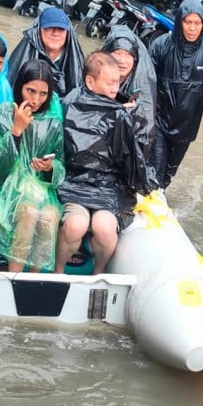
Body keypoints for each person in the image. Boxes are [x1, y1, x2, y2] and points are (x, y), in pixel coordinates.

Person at [55, 52, 157, 274]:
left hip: (109, 187)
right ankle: (58, 270)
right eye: (110, 83)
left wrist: (144, 186)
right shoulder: (69, 104)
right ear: (90, 81)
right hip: (75, 183)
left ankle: (98, 271)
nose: (115, 88)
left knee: (104, 227)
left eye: (118, 82)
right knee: (75, 225)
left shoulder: (120, 114)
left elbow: (130, 159)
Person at [0, 59, 65, 272]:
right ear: (19, 86)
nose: (36, 99)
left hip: (41, 190)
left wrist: (50, 168)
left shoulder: (53, 122)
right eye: (30, 91)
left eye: (43, 94)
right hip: (7, 189)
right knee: (29, 212)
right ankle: (15, 276)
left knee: (49, 215)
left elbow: (61, 165)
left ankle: (35, 277)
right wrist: (16, 131)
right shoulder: (0, 116)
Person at [148, 0, 203, 189]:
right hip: (159, 122)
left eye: (197, 23)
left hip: (187, 127)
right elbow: (145, 81)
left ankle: (157, 205)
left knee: (168, 175)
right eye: (188, 22)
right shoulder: (162, 45)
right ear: (180, 22)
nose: (192, 28)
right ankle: (144, 207)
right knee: (154, 172)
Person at [6, 6, 85, 98]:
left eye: (61, 29)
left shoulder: (76, 63)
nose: (55, 33)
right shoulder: (24, 56)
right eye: (50, 27)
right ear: (38, 31)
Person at [102, 24, 157, 151]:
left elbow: (145, 132)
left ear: (135, 59)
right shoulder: (96, 76)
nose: (122, 61)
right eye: (117, 53)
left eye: (128, 55)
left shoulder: (140, 87)